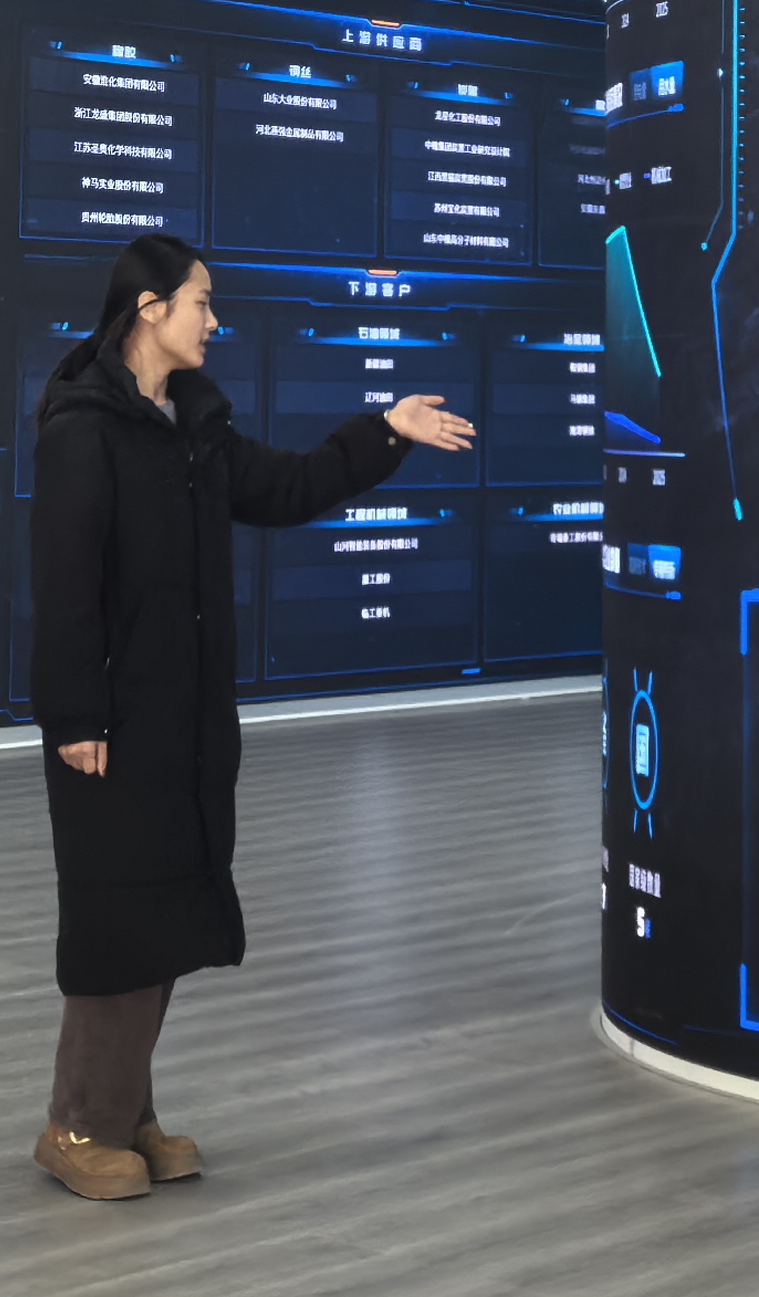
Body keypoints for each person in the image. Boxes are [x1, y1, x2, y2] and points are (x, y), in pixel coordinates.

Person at [25, 233, 474, 1200]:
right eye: (201, 302)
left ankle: (124, 1114)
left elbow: (289, 487)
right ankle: (76, 1125)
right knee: (116, 921)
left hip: (183, 721)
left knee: (163, 914)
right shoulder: (82, 430)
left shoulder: (193, 427)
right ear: (150, 310)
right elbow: (63, 587)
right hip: (111, 723)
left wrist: (387, 431)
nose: (214, 321)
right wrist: (75, 717)